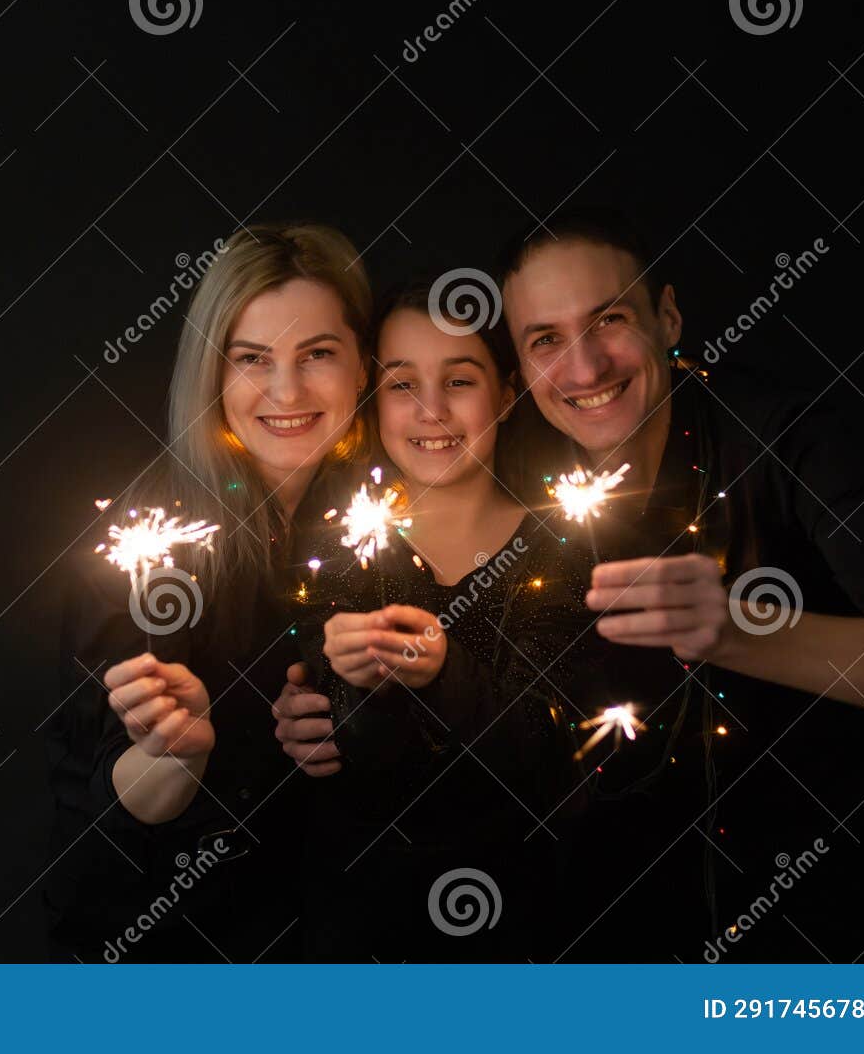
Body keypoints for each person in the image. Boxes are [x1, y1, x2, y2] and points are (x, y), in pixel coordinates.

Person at [493, 205, 864, 957]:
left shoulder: (791, 440)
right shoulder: (516, 469)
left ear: (668, 317)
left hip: (830, 929)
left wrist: (735, 630)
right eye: (545, 340)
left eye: (608, 320)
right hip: (619, 928)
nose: (584, 368)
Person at [285, 283, 686, 960]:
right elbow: (354, 775)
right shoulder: (336, 555)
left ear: (505, 395)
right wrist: (365, 694)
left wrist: (446, 676)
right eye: (402, 383)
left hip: (544, 934)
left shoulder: (573, 554)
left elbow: (566, 768)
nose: (432, 409)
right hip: (371, 939)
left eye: (460, 380)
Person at [43, 222, 372, 962]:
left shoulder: (392, 519)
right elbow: (98, 815)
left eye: (317, 354)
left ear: (363, 364)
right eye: (252, 360)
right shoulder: (150, 548)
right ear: (212, 375)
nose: (286, 391)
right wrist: (170, 758)